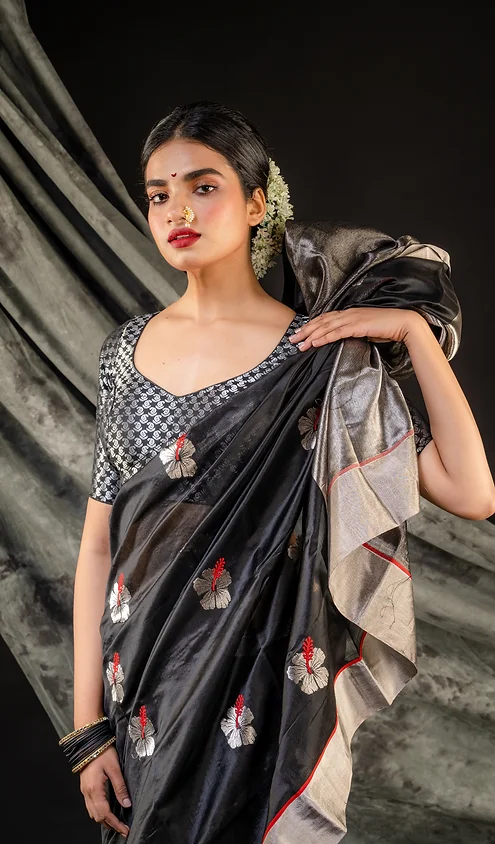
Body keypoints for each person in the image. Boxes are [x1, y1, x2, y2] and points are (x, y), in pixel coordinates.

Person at [64, 101, 495, 843]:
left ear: (257, 203)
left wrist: (413, 334)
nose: (177, 211)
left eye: (204, 187)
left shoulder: (321, 354)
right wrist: (86, 730)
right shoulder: (123, 353)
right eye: (159, 194)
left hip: (262, 678)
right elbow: (99, 545)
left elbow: (471, 490)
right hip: (143, 681)